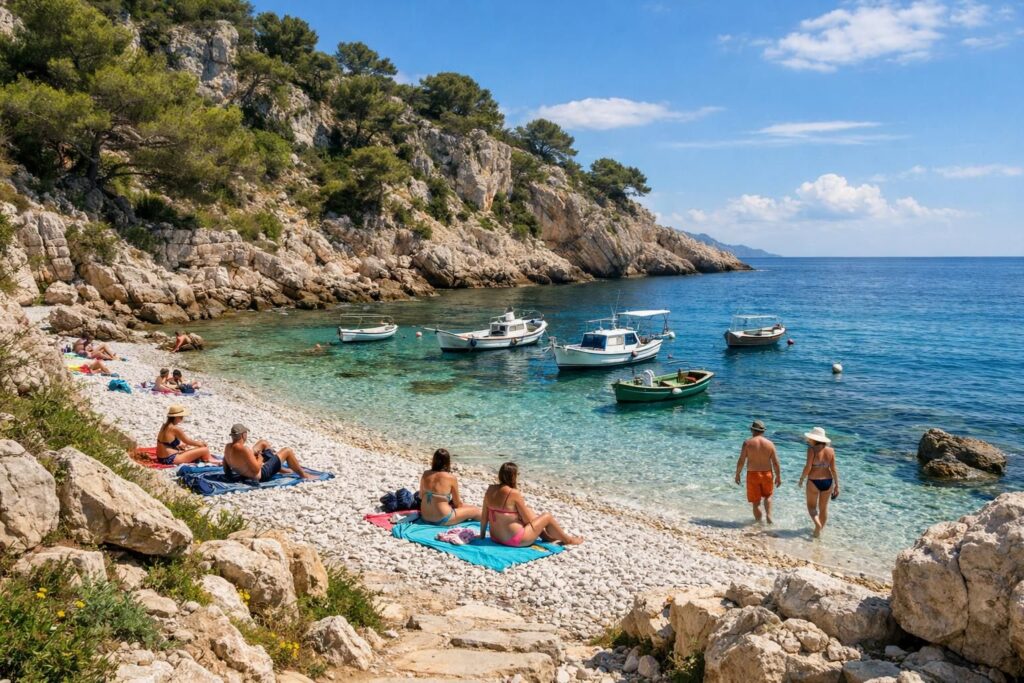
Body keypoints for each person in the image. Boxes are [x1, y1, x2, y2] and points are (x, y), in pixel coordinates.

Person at [481, 462, 583, 547]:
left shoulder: (490, 490)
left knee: (528, 510)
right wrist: (533, 523)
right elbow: (527, 520)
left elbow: (484, 516)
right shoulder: (513, 493)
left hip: (496, 538)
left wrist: (482, 536)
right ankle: (568, 540)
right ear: (513, 476)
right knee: (547, 517)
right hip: (515, 540)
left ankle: (547, 537)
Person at [223, 423, 314, 482]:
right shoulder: (244, 449)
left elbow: (225, 465)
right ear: (243, 435)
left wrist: (231, 476)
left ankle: (280, 468)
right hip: (261, 475)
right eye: (246, 433)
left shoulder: (228, 447)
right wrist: (260, 459)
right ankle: (304, 475)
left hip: (243, 473)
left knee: (263, 443)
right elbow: (256, 470)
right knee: (287, 451)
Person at [734, 419, 781, 524]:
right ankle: (769, 516)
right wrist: (778, 476)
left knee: (756, 502)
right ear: (763, 431)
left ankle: (759, 523)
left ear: (752, 430)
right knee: (768, 496)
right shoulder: (770, 444)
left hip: (753, 474)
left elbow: (741, 460)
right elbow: (776, 462)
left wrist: (737, 474)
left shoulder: (747, 443)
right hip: (767, 474)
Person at [419, 448, 480, 525]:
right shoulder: (451, 478)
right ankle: (491, 524)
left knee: (468, 508)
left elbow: (421, 496)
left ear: (434, 460)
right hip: (442, 519)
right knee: (475, 510)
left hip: (425, 517)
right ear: (448, 462)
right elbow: (457, 504)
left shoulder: (425, 474)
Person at [798, 427, 840, 537]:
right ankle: (818, 532)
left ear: (814, 439)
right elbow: (834, 469)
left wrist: (802, 478)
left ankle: (817, 525)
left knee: (811, 507)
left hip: (814, 481)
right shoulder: (831, 451)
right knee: (824, 508)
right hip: (828, 481)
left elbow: (808, 467)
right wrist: (837, 485)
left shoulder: (811, 450)